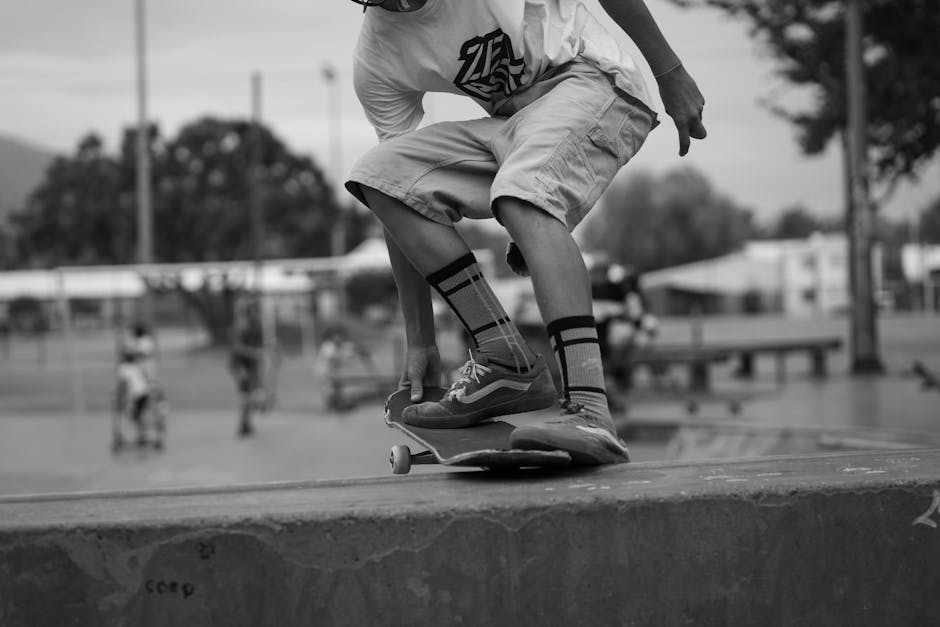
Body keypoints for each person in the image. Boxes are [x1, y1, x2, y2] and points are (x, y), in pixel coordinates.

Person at [345, 0, 706, 464]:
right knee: (381, 176)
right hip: (512, 125)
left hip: (595, 83)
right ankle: (504, 360)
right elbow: (402, 200)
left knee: (520, 193)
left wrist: (670, 71)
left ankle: (591, 409)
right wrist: (421, 338)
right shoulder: (377, 53)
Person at [229, 297, 266, 437]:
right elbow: (237, 348)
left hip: (251, 363)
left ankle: (247, 421)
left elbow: (259, 345)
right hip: (240, 364)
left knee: (252, 393)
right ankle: (244, 423)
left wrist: (261, 352)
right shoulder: (240, 325)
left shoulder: (257, 325)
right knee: (245, 393)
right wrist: (255, 353)